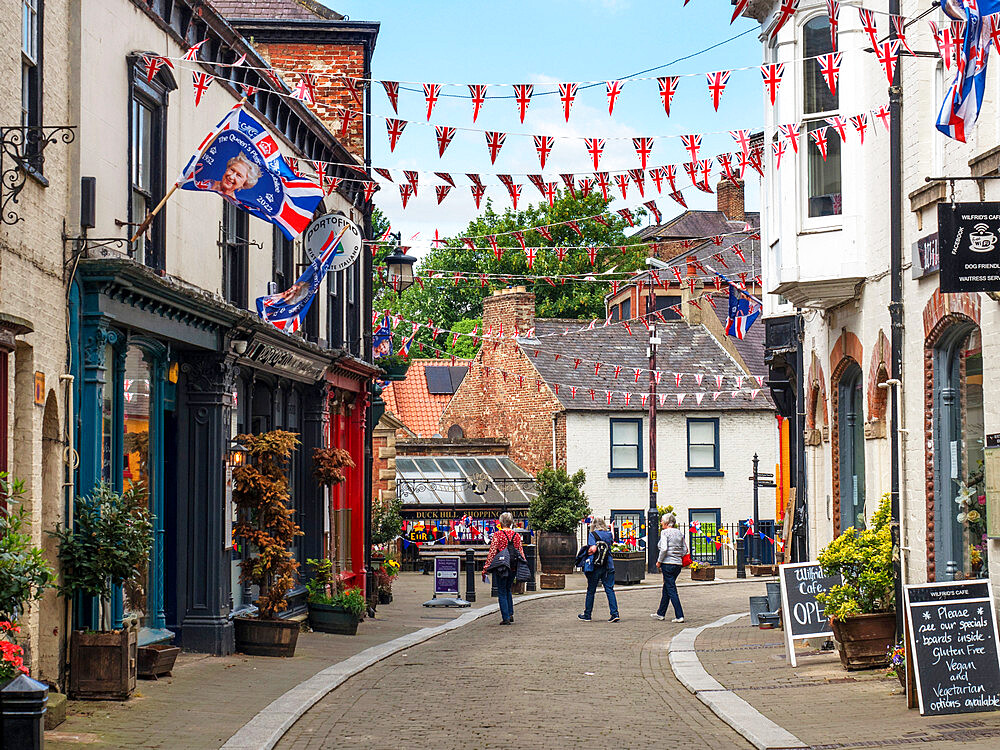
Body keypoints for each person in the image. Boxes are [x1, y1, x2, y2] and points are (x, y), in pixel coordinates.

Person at [482, 512, 524, 625]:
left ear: (501, 522)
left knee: (501, 590)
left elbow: (492, 551)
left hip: (501, 566)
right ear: (511, 522)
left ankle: (505, 617)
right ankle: (510, 613)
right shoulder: (516, 536)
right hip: (513, 566)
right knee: (508, 588)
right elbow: (520, 552)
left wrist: (486, 567)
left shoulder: (498, 535)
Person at [579, 516, 620, 623]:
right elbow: (612, 540)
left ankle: (587, 614)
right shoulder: (608, 534)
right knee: (609, 589)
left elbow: (593, 548)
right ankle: (614, 613)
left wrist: (587, 552)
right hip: (608, 565)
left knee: (591, 590)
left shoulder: (592, 534)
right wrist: (611, 527)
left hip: (595, 566)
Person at [652, 513, 687, 623]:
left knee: (671, 589)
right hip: (678, 564)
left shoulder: (664, 532)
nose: (661, 523)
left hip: (667, 563)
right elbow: (685, 550)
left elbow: (664, 549)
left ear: (667, 523)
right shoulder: (680, 533)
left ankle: (679, 615)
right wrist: (677, 555)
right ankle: (660, 613)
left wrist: (659, 561)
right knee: (667, 588)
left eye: (662, 521)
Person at [196, 151, 262, 198]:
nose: (231, 176)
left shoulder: (234, 204)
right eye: (232, 170)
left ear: (244, 184)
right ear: (227, 169)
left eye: (239, 175)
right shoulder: (204, 182)